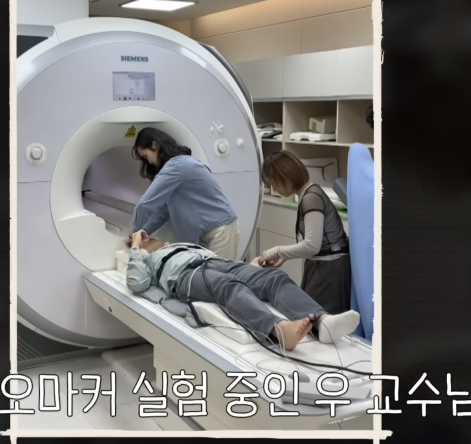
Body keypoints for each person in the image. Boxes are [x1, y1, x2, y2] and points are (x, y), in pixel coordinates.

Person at [124, 230, 360, 351]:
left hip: (218, 262)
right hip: (187, 275)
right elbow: (137, 283)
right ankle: (278, 330)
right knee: (227, 286)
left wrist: (251, 267)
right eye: (143, 239)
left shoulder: (178, 245)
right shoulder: (148, 260)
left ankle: (322, 322)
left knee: (273, 277)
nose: (148, 237)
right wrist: (135, 246)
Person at [257, 150, 352, 315]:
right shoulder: (309, 194)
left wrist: (275, 252)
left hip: (330, 271)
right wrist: (284, 256)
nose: (274, 188)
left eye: (274, 182)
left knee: (319, 321)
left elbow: (312, 246)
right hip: (322, 266)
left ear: (287, 176)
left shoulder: (311, 198)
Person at [128, 127, 241, 260]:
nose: (149, 162)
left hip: (221, 230)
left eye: (146, 156)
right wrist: (144, 231)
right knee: (206, 272)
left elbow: (145, 204)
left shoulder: (177, 166)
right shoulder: (176, 167)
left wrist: (133, 235)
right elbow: (164, 211)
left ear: (155, 146)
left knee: (218, 272)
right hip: (207, 232)